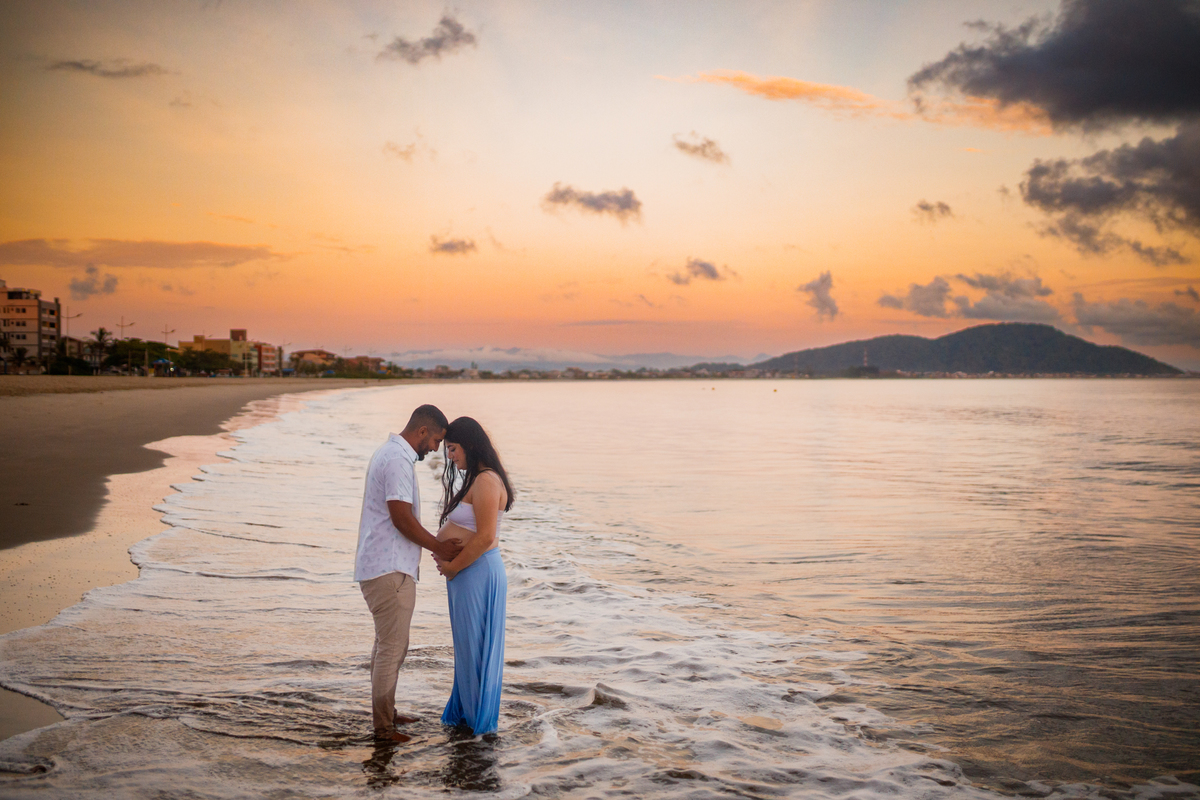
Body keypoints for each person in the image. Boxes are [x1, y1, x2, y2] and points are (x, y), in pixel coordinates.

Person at [355, 404, 463, 742]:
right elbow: (401, 518)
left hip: (381, 565)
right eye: (434, 441)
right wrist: (438, 547)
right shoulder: (399, 460)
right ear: (422, 432)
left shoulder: (389, 453)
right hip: (389, 568)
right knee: (391, 647)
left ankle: (387, 713)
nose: (435, 449)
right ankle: (383, 728)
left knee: (387, 646)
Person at [432, 416, 514, 735]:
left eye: (452, 449)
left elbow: (485, 537)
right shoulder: (478, 479)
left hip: (476, 571)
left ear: (469, 444)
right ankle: (467, 716)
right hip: (469, 573)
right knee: (468, 648)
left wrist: (453, 566)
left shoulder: (487, 481)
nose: (450, 457)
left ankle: (478, 726)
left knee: (474, 648)